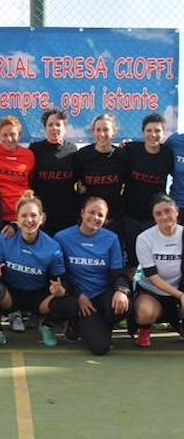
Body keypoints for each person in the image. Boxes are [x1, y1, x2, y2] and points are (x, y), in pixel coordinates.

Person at [0, 190, 77, 348]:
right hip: (10, 295)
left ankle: (48, 326)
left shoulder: (52, 247)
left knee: (71, 304)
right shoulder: (6, 237)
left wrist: (60, 290)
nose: (29, 220)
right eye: (23, 216)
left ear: (42, 218)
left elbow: (62, 280)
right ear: (16, 219)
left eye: (34, 216)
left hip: (39, 298)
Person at [55, 197, 131, 356]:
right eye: (91, 212)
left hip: (103, 295)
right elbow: (60, 274)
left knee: (123, 304)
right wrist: (78, 296)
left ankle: (102, 326)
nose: (95, 218)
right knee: (101, 348)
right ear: (82, 213)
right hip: (80, 298)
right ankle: (75, 323)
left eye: (100, 215)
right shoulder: (62, 237)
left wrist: (121, 291)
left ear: (105, 219)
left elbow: (119, 273)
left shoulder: (111, 239)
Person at [122, 113, 173, 276]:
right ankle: (129, 289)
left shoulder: (167, 154)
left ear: (163, 133)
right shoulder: (132, 149)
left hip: (154, 216)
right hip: (131, 212)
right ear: (143, 132)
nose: (153, 135)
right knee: (131, 257)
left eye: (157, 131)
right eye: (149, 130)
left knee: (150, 259)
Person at [133, 194, 184, 348]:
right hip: (152, 291)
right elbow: (153, 278)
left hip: (179, 289)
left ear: (177, 212)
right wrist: (181, 296)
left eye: (168, 211)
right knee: (145, 312)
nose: (164, 216)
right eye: (158, 213)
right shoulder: (144, 238)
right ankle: (145, 330)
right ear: (154, 217)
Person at [74, 114, 128, 235]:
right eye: (98, 130)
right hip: (88, 218)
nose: (102, 134)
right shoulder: (82, 156)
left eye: (106, 129)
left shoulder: (122, 156)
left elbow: (129, 186)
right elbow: (75, 184)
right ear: (93, 132)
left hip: (114, 218)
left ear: (113, 132)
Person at [29, 109, 78, 236]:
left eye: (58, 124)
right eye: (50, 125)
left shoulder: (73, 150)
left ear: (64, 128)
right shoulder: (35, 150)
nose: (54, 128)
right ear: (45, 128)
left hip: (67, 214)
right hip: (42, 214)